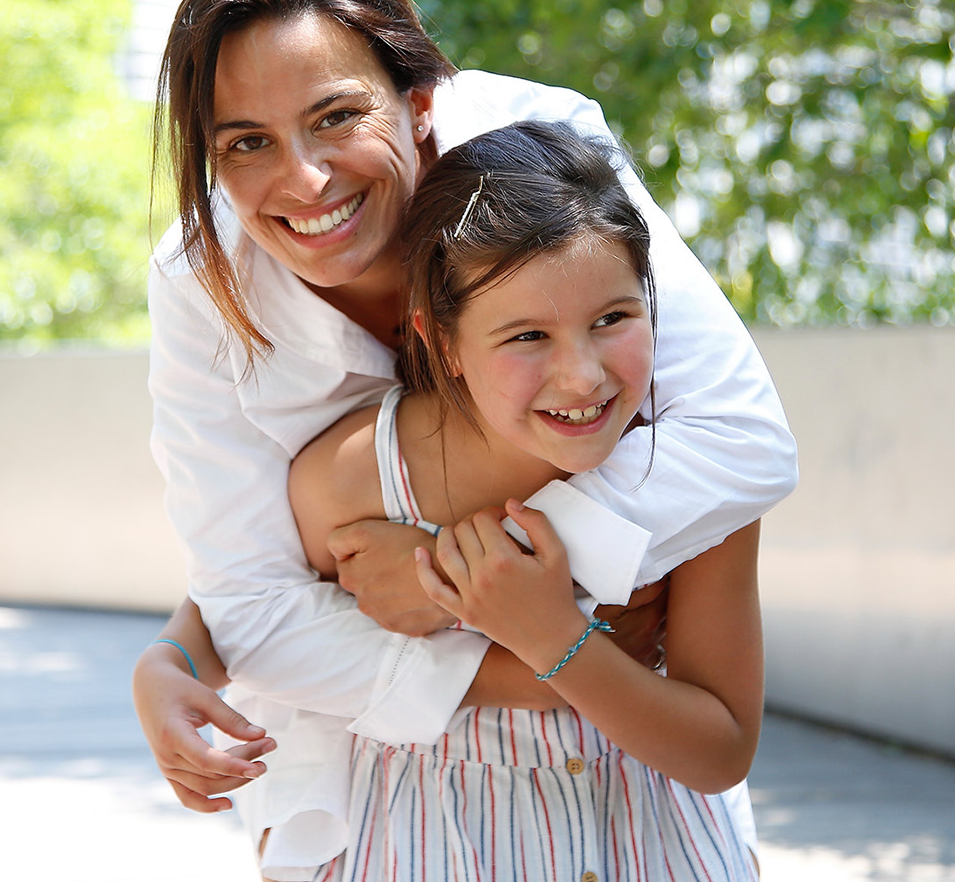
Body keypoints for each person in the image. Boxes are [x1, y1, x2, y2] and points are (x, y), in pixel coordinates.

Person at [132, 0, 794, 877]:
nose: (305, 179)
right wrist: (530, 644)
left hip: (637, 812)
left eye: (335, 117)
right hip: (407, 805)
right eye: (246, 143)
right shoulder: (206, 287)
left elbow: (741, 445)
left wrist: (452, 568)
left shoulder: (551, 178)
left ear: (420, 97)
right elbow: (252, 603)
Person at [290, 121, 763, 880]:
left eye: (612, 318)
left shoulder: (691, 469)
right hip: (425, 845)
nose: (581, 377)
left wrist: (553, 637)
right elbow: (269, 637)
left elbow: (722, 747)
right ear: (441, 340)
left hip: (648, 842)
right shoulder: (354, 479)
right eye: (527, 336)